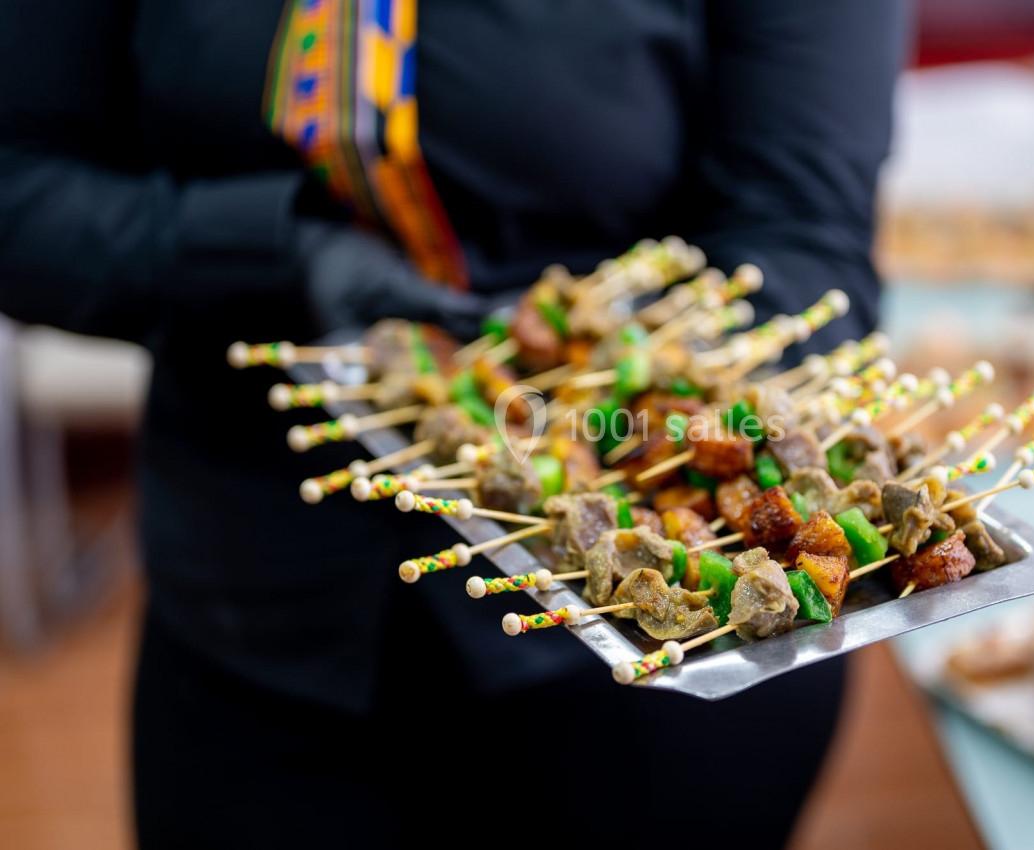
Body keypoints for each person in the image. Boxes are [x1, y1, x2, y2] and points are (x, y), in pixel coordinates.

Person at [0, 2, 906, 847]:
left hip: (656, 652)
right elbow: (19, 194)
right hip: (256, 622)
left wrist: (622, 392)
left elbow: (803, 235)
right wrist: (273, 255)